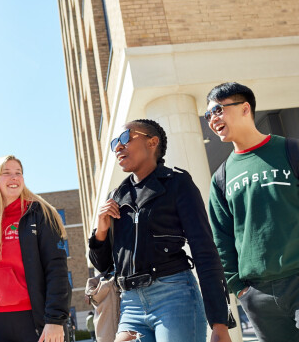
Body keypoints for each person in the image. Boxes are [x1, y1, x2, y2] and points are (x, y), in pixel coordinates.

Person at [89, 119, 232, 342]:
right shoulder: (116, 197)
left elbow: (204, 250)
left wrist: (219, 322)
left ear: (152, 142)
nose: (118, 147)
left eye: (125, 138)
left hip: (174, 297)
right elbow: (104, 265)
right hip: (130, 304)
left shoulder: (177, 183)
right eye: (114, 142)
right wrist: (101, 231)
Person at [206, 82, 299, 342]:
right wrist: (240, 288)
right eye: (208, 115)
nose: (213, 119)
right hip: (258, 295)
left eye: (218, 110)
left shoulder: (291, 150)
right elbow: (221, 238)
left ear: (245, 108)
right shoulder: (221, 177)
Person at [0, 155, 71, 342]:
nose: (15, 178)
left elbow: (57, 269)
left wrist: (55, 320)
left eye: (18, 173)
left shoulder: (40, 214)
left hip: (36, 321)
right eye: (7, 173)